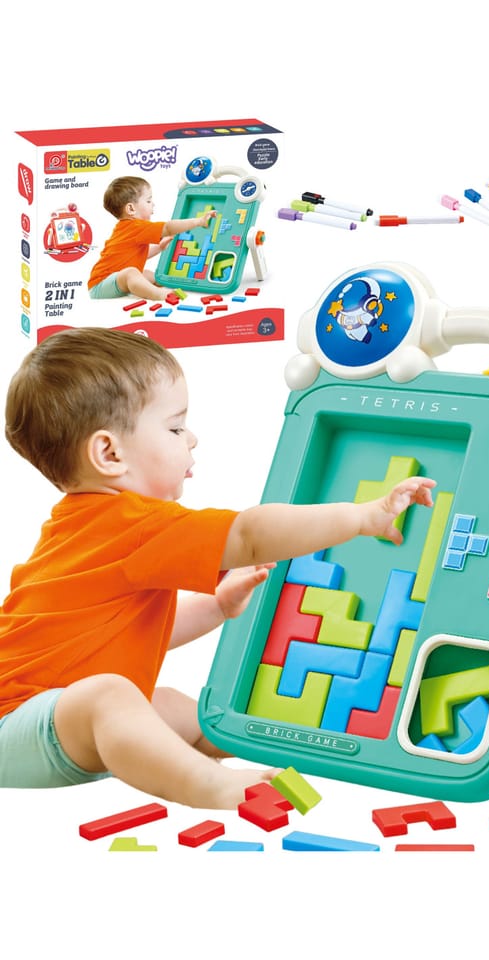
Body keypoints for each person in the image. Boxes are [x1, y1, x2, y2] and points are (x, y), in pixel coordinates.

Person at [0, 328, 435, 809]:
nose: (192, 438)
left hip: (57, 721)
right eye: (174, 428)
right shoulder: (132, 524)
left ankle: (246, 744)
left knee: (163, 703)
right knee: (111, 696)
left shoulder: (85, 527)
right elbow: (250, 535)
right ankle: (211, 785)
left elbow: (129, 634)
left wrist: (215, 607)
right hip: (16, 722)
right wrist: (361, 517)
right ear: (109, 454)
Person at [87, 176, 216, 301]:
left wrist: (159, 248)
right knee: (131, 273)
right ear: (131, 208)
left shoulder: (127, 228)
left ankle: (163, 285)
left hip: (116, 281)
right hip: (100, 284)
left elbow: (137, 255)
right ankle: (159, 294)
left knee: (148, 275)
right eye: (148, 201)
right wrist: (198, 221)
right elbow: (168, 228)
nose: (153, 204)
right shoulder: (136, 226)